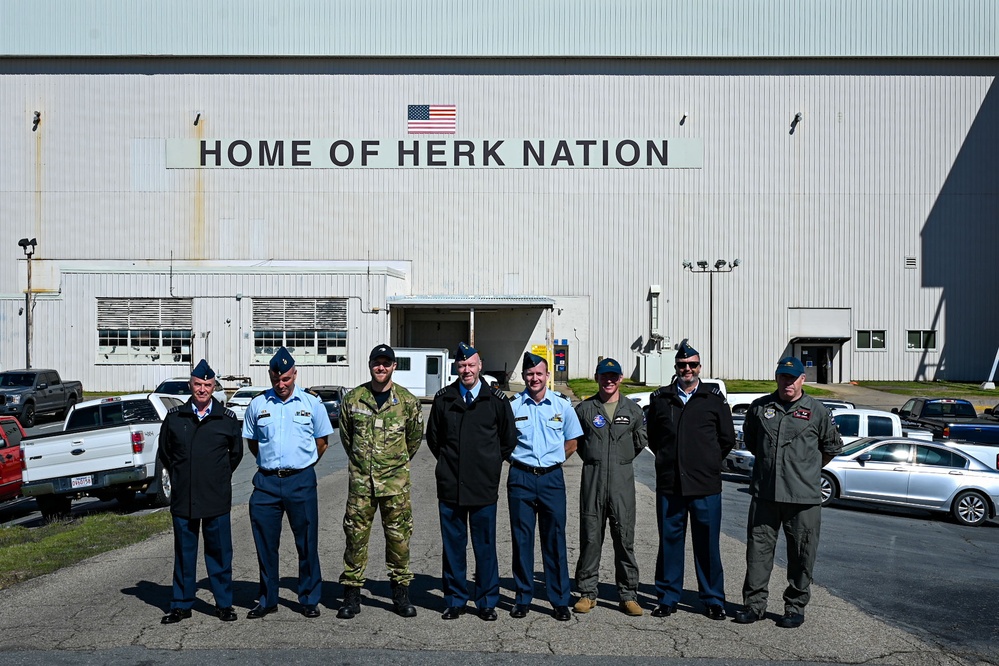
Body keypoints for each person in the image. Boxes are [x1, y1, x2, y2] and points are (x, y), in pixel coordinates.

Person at [735, 356, 843, 629]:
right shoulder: (761, 408)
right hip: (765, 495)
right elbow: (752, 442)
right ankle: (754, 605)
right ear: (777, 378)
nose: (788, 383)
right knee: (757, 554)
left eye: (793, 378)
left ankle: (794, 607)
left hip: (803, 499)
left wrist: (805, 470)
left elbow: (831, 447)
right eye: (783, 377)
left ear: (802, 379)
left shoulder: (817, 411)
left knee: (802, 555)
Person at [426, 342, 517, 621]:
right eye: (462, 365)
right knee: (453, 546)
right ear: (457, 368)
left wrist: (488, 465)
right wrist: (449, 465)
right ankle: (455, 599)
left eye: (471, 364)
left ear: (480, 365)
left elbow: (508, 440)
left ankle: (487, 600)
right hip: (451, 485)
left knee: (485, 546)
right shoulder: (444, 399)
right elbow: (434, 440)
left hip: (483, 486)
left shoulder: (497, 401)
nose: (467, 370)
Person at [646, 341, 735, 620]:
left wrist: (705, 463)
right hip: (671, 485)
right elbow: (654, 438)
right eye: (683, 365)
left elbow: (726, 440)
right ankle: (668, 597)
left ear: (700, 368)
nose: (688, 369)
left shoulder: (713, 399)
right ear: (676, 368)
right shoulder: (661, 399)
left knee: (707, 545)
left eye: (692, 365)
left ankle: (712, 599)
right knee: (670, 543)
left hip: (705, 486)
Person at [243, 346, 334, 619]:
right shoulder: (259, 404)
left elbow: (322, 441)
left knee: (306, 542)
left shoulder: (311, 403)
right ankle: (268, 598)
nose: (281, 385)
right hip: (267, 483)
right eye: (276, 379)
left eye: (286, 379)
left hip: (301, 481)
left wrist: (302, 465)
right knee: (265, 544)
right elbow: (252, 442)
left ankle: (308, 597)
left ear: (295, 374)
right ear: (270, 376)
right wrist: (273, 463)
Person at [336, 344, 424, 619]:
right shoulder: (353, 400)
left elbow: (413, 441)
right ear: (370, 364)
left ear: (394, 366)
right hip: (362, 485)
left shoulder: (408, 402)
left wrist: (391, 466)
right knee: (355, 540)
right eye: (377, 362)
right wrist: (365, 465)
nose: (381, 367)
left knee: (399, 541)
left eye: (387, 363)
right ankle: (351, 597)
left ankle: (400, 595)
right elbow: (347, 439)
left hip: (395, 486)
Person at [158, 359, 243, 624]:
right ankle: (181, 604)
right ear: (190, 385)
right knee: (184, 554)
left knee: (219, 553)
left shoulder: (226, 419)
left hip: (215, 497)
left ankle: (224, 603)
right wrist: (184, 477)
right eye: (198, 384)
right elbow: (166, 454)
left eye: (207, 385)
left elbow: (235, 455)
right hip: (184, 498)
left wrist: (216, 478)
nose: (202, 389)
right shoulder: (174, 419)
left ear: (214, 386)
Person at [508, 352, 583, 621]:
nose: (535, 378)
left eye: (539, 373)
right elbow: (504, 442)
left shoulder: (562, 405)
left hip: (552, 479)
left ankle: (559, 599)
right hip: (521, 477)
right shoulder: (514, 406)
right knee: (522, 539)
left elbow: (573, 441)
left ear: (547, 376)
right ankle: (523, 597)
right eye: (530, 374)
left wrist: (554, 461)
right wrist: (520, 462)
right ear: (524, 377)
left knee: (554, 539)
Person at [572, 358, 648, 616]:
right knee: (591, 537)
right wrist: (597, 460)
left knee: (624, 538)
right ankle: (587, 592)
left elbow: (639, 443)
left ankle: (628, 595)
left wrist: (618, 462)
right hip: (593, 481)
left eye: (614, 376)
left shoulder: (633, 411)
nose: (609, 380)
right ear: (597, 377)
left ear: (621, 378)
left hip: (622, 483)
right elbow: (578, 444)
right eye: (604, 376)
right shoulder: (584, 410)